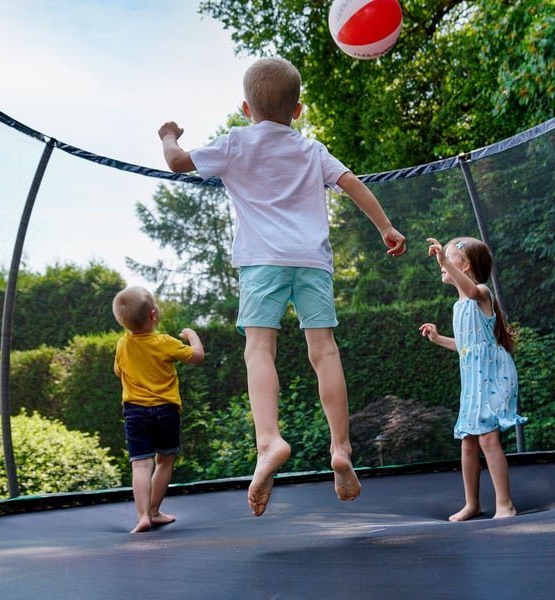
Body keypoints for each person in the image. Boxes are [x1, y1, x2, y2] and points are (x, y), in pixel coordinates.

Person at [157, 56, 407, 517]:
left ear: (246, 110)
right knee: (325, 351)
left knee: (259, 350)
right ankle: (341, 448)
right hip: (311, 262)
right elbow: (352, 184)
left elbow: (176, 162)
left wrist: (169, 133)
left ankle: (269, 440)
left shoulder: (235, 143)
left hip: (261, 262)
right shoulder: (312, 149)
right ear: (298, 111)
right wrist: (386, 228)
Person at [418, 237, 525, 521]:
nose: (441, 266)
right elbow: (465, 347)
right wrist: (438, 338)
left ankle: (505, 504)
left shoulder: (481, 293)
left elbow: (472, 291)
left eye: (448, 259)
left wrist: (444, 262)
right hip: (472, 382)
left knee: (488, 438)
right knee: (468, 441)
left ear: (464, 265)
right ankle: (472, 504)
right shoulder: (457, 307)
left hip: (492, 376)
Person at [112, 285, 205, 533]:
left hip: (134, 412)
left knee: (141, 465)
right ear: (153, 315)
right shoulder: (164, 342)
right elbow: (197, 356)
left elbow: (118, 371)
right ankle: (154, 511)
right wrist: (191, 335)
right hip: (165, 410)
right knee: (164, 461)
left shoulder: (123, 344)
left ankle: (142, 516)